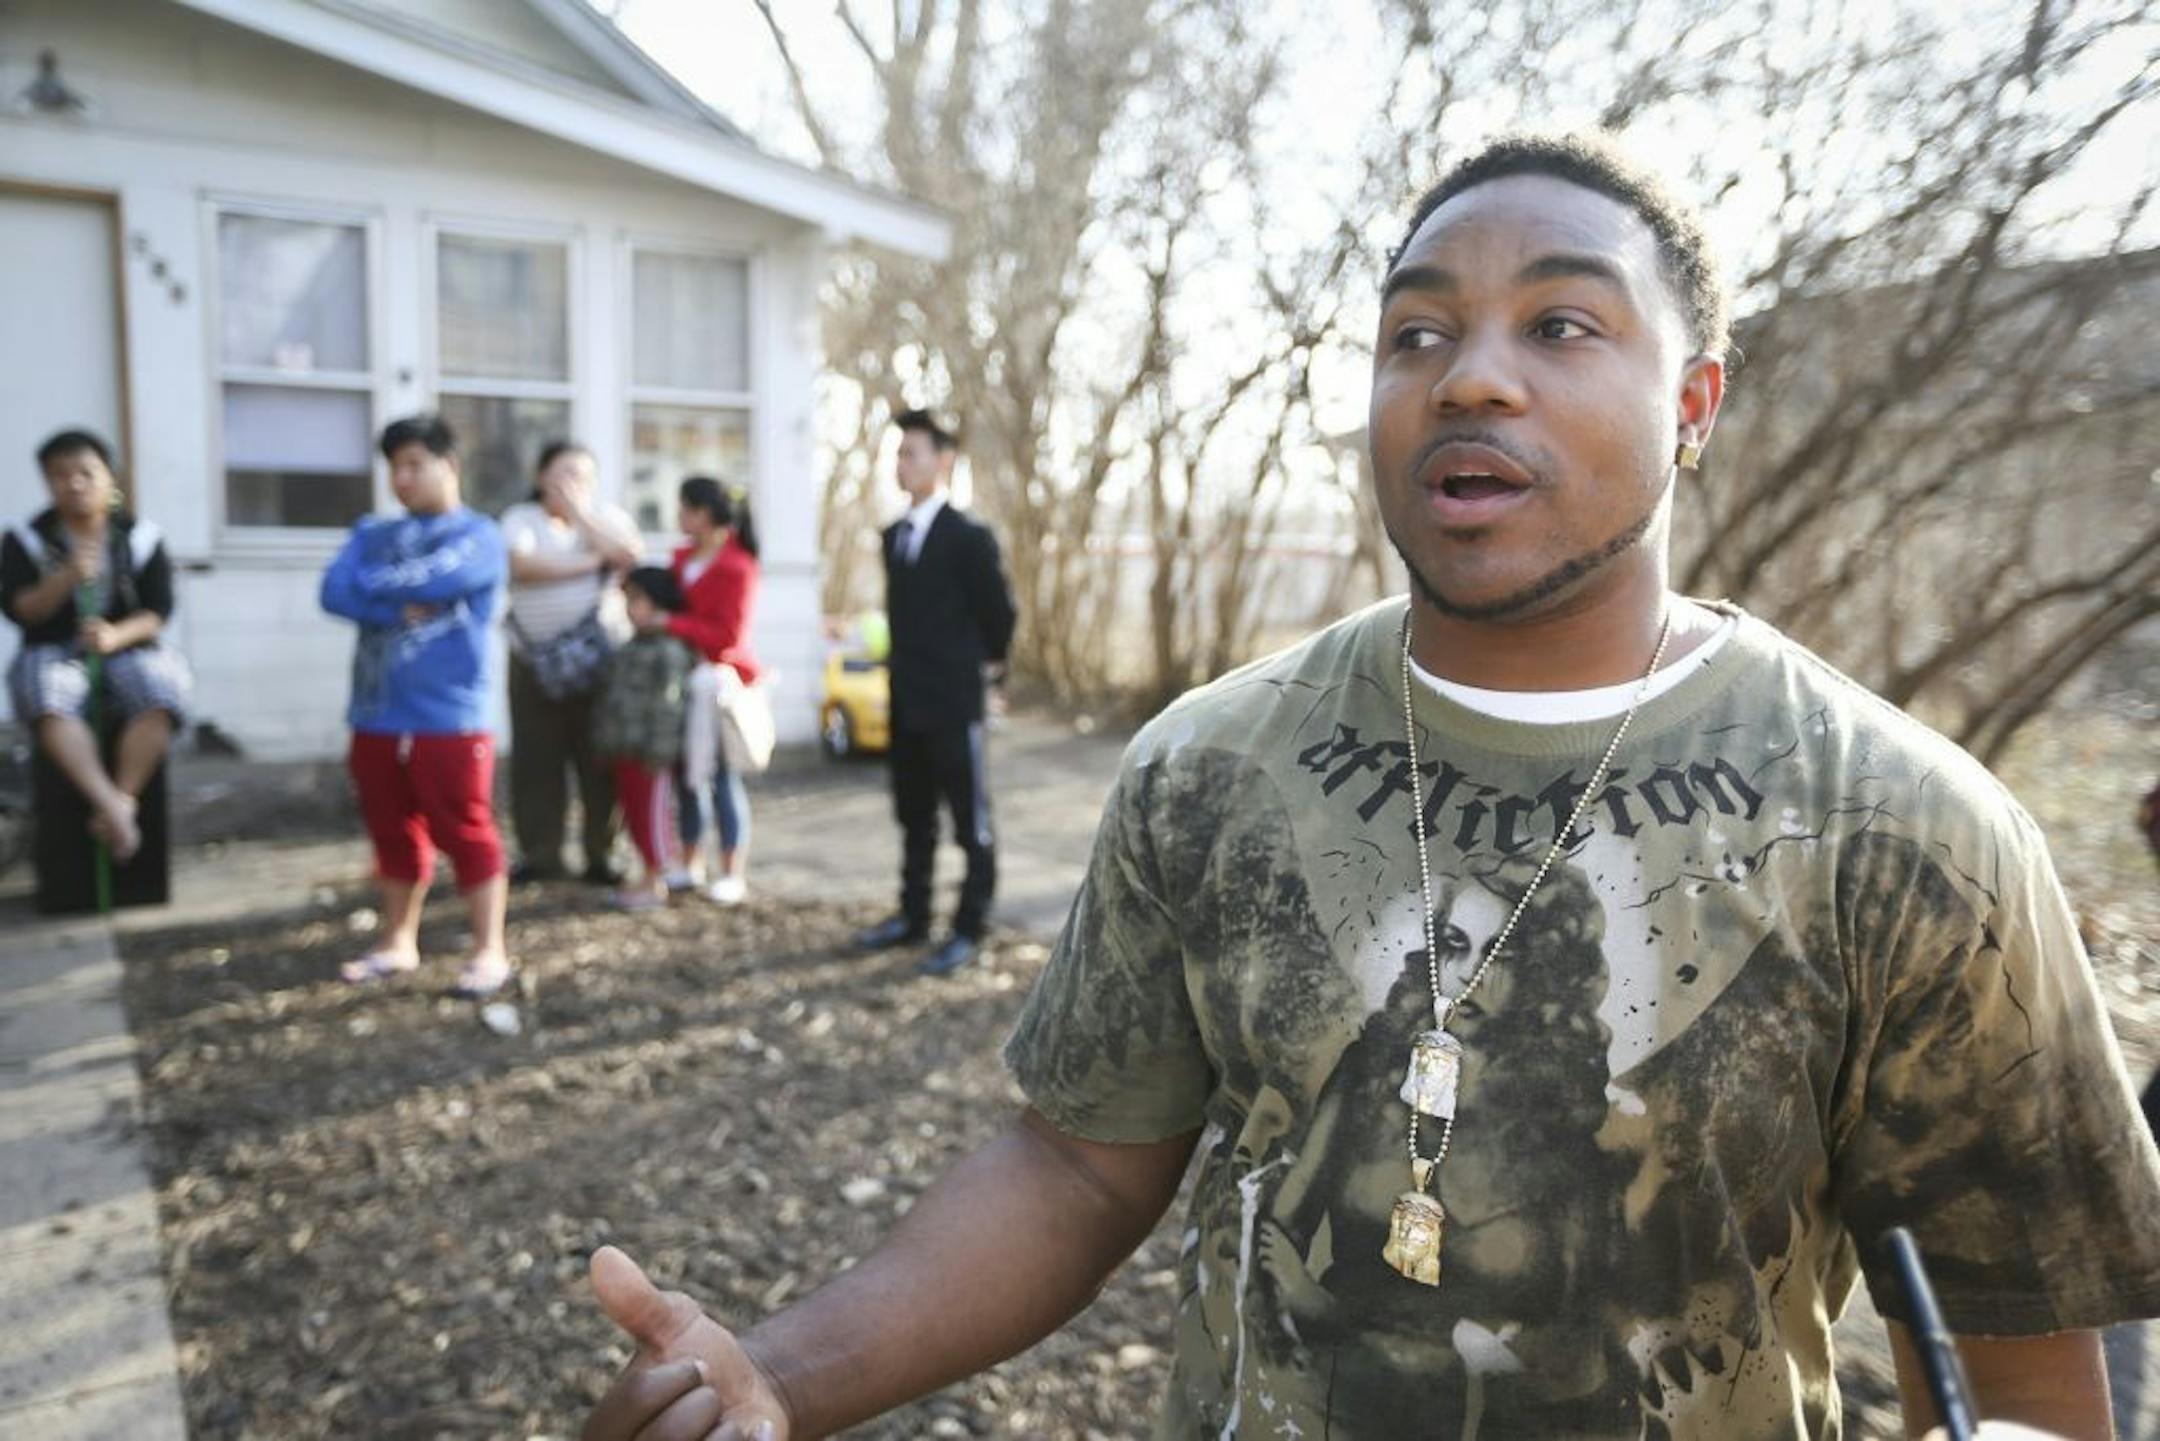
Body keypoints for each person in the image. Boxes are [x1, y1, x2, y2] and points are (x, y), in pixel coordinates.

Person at [579, 134, 2160, 1440]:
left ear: (1696, 404)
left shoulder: (1903, 826)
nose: (1471, 378)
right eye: (1418, 332)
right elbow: (1072, 1167)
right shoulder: (1211, 765)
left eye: (1561, 324)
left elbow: (2025, 1368)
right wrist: (778, 1379)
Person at [321, 414, 512, 997]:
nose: (401, 479)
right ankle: (397, 941)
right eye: (393, 468)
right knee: (391, 830)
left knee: (466, 828)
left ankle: (490, 950)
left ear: (448, 465)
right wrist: (389, 605)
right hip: (376, 712)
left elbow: (434, 581)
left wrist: (373, 588)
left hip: (450, 715)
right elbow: (332, 591)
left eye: (414, 465)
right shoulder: (371, 531)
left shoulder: (480, 535)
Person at [852, 410, 1019, 977]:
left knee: (971, 821)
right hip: (906, 700)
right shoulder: (893, 536)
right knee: (913, 814)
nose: (903, 464)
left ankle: (970, 927)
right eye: (898, 454)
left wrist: (985, 674)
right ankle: (913, 915)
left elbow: (1000, 615)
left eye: (912, 453)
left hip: (955, 702)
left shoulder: (969, 536)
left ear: (943, 461)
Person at [2, 429, 192, 862]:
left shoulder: (140, 537)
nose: (74, 484)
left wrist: (114, 636)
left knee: (162, 687)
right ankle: (105, 800)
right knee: (45, 694)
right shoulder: (26, 538)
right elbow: (20, 609)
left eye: (86, 472)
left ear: (110, 478)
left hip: (125, 645)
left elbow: (157, 611)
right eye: (60, 475)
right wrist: (67, 576)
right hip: (54, 648)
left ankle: (121, 801)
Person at [499, 440, 642, 885]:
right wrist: (591, 562)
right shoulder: (520, 519)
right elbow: (521, 566)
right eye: (563, 473)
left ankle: (603, 854)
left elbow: (630, 557)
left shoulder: (607, 519)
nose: (572, 484)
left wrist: (582, 517)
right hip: (532, 661)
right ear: (541, 476)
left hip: (599, 660)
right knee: (536, 761)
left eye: (583, 476)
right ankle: (541, 856)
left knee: (599, 759)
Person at [667, 476, 761, 906]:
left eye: (685, 508)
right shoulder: (681, 558)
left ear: (703, 513)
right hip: (680, 682)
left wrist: (670, 625)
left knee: (722, 777)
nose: (680, 517)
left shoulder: (737, 566)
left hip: (719, 686)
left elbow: (727, 634)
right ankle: (689, 863)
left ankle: (731, 871)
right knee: (684, 776)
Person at [594, 566, 693, 913]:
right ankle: (644, 876)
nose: (629, 608)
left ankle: (655, 883)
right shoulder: (632, 646)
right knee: (634, 817)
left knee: (652, 819)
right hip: (626, 750)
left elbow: (669, 707)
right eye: (628, 599)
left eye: (637, 599)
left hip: (649, 755)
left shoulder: (668, 651)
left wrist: (660, 750)